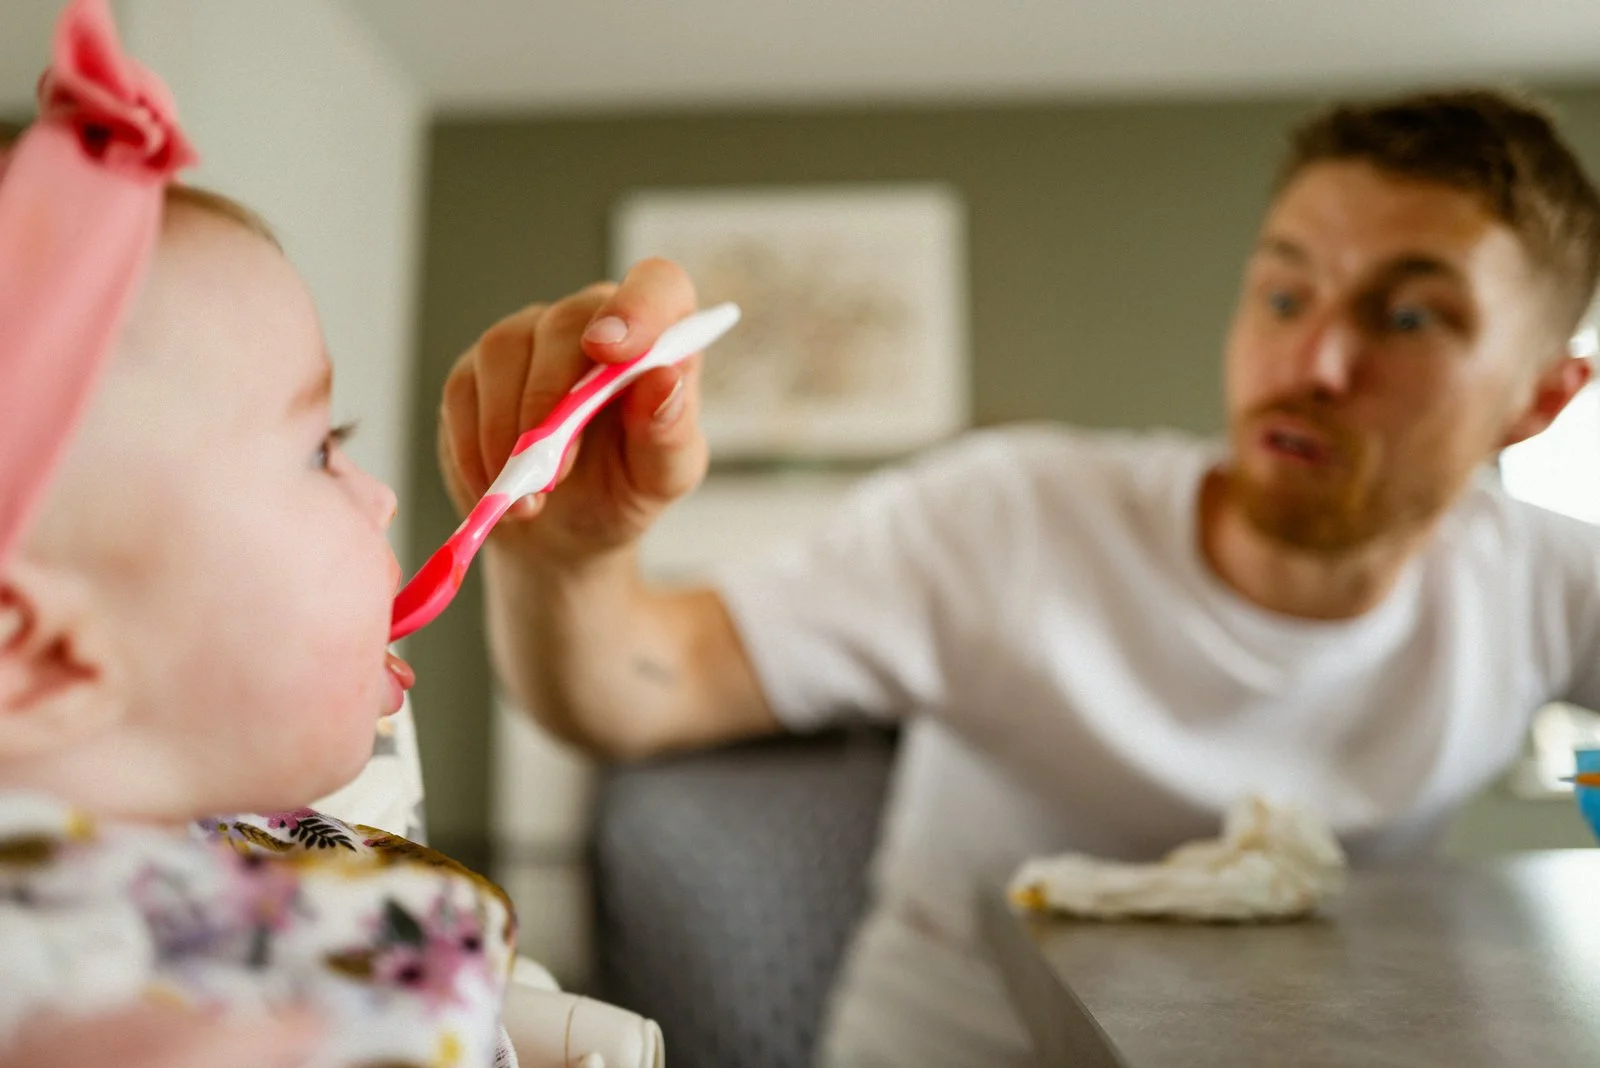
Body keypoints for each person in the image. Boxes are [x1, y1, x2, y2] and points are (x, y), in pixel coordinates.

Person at [440, 87, 1600, 1067]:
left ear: (1540, 398)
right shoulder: (1009, 519)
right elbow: (635, 691)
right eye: (1285, 293)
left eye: (1408, 315)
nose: (1315, 363)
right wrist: (572, 552)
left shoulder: (1546, 583)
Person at [0, 3, 523, 1064]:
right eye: (320, 451)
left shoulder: (226, 846)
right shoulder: (101, 1007)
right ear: (42, 653)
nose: (381, 500)